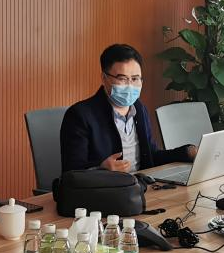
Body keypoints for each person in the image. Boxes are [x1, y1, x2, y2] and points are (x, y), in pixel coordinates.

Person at [59, 43, 197, 174]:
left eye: (135, 79)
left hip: (141, 185)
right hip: (105, 188)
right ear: (104, 78)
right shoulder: (80, 115)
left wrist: (187, 152)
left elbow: (151, 156)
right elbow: (72, 172)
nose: (130, 85)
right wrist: (101, 169)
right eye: (122, 79)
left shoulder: (139, 109)